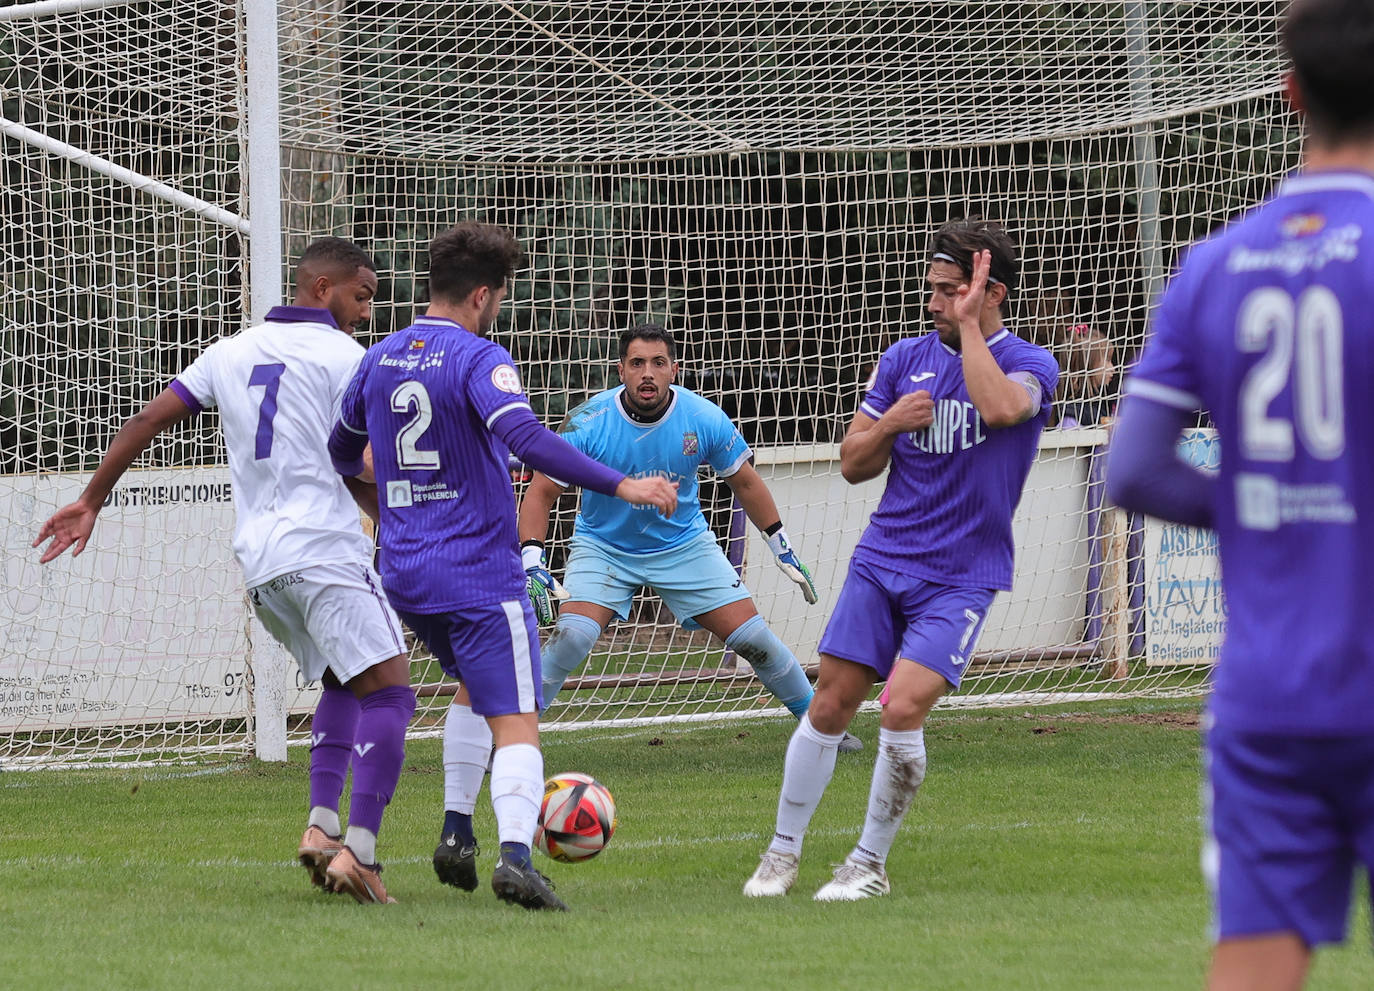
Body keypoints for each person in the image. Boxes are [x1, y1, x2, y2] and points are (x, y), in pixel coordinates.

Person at [1107, 2, 1374, 986]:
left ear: (1290, 92)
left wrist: (1273, 499)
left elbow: (1131, 469)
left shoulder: (1214, 265)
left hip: (1267, 698)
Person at [34, 238, 414, 905]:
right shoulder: (348, 359)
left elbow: (150, 416)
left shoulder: (229, 351)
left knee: (340, 679)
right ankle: (362, 850)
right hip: (323, 550)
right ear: (321, 287)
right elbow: (353, 465)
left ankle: (321, 827)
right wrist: (412, 516)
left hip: (263, 564)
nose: (365, 312)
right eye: (361, 296)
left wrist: (91, 499)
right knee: (391, 694)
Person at [327, 222, 677, 912]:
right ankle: (518, 854)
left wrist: (391, 504)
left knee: (470, 689)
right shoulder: (480, 357)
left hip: (405, 572)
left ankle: (457, 829)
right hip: (477, 572)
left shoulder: (378, 357)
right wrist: (626, 484)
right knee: (517, 718)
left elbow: (342, 451)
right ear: (483, 295)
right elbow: (524, 435)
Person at [743, 218, 1059, 901]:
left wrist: (970, 329)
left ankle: (866, 864)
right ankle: (781, 852)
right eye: (933, 290)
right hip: (882, 560)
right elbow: (854, 463)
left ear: (989, 293)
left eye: (950, 292)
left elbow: (1002, 409)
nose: (934, 303)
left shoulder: (1032, 364)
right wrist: (888, 423)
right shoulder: (901, 359)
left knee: (902, 706)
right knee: (828, 704)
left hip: (962, 575)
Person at [517, 323, 860, 752]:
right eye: (637, 363)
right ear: (620, 370)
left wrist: (780, 545)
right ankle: (513, 744)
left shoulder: (703, 418)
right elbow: (541, 492)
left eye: (658, 363)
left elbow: (746, 483)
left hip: (683, 546)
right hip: (604, 547)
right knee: (571, 638)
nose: (648, 373)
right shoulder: (588, 422)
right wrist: (532, 561)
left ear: (674, 370)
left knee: (755, 640)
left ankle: (823, 731)